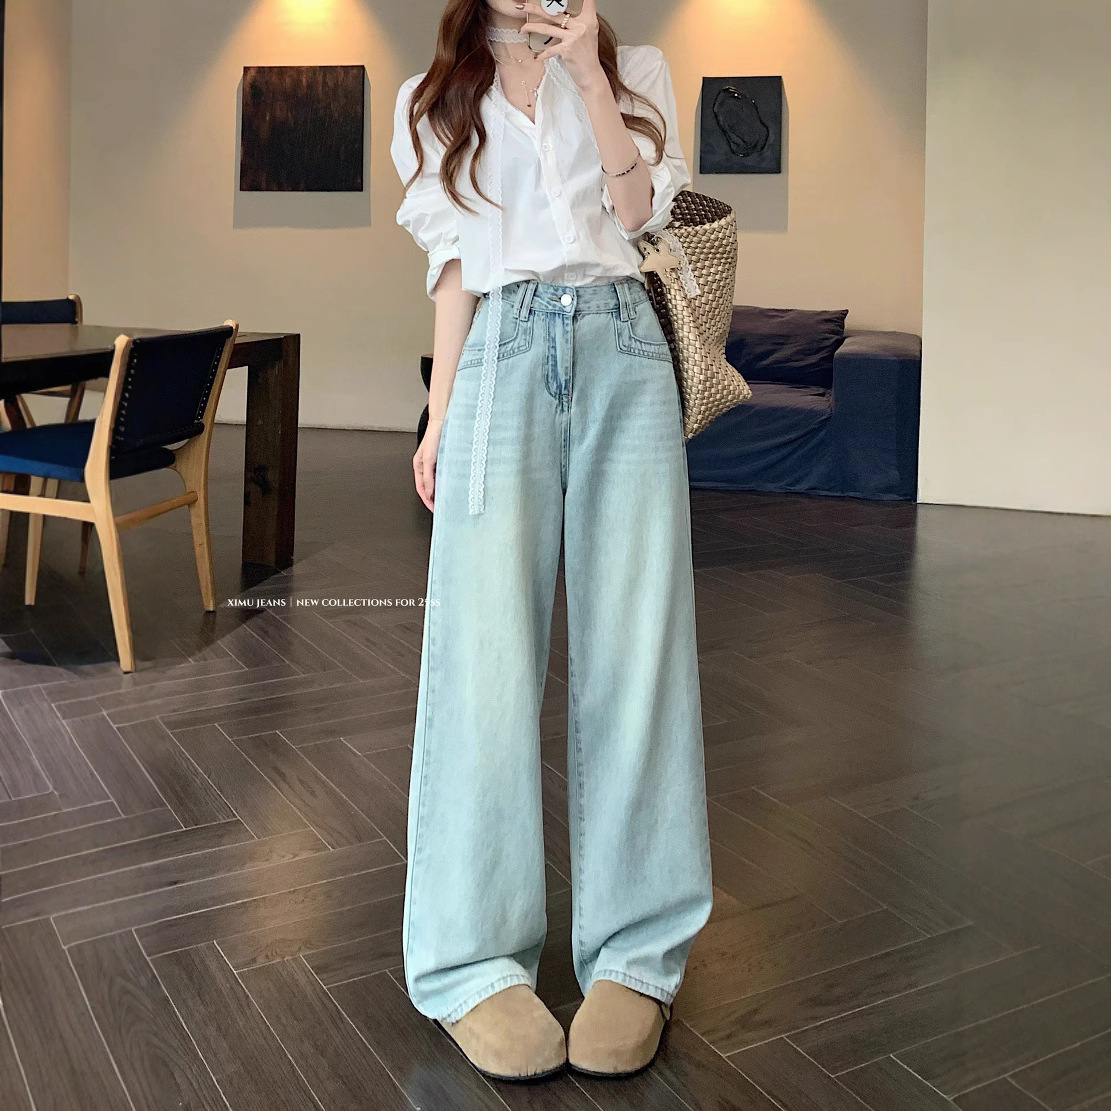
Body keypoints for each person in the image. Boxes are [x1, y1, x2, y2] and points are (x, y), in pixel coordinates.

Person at [389, 0, 713, 1082]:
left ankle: (636, 952)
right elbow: (452, 269)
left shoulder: (637, 70)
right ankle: (471, 959)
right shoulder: (433, 100)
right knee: (481, 659)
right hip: (501, 353)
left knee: (637, 652)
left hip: (625, 347)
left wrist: (588, 80)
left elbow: (642, 217)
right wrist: (439, 414)